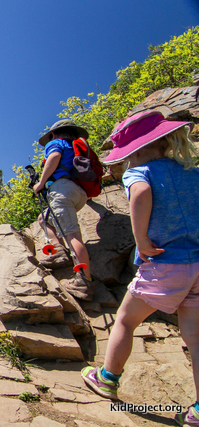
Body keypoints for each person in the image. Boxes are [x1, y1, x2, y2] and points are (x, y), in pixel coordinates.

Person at [80, 110, 199, 427]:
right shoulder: (192, 171)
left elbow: (143, 195)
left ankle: (107, 378)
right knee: (196, 337)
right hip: (198, 263)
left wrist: (141, 239)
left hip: (165, 262)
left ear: (132, 150)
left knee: (125, 319)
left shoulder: (139, 172)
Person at [34, 119, 94, 301]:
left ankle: (84, 282)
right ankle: (58, 251)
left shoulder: (56, 143)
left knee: (73, 236)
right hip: (79, 192)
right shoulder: (76, 147)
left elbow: (53, 158)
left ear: (53, 134)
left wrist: (41, 183)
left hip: (61, 190)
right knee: (43, 218)